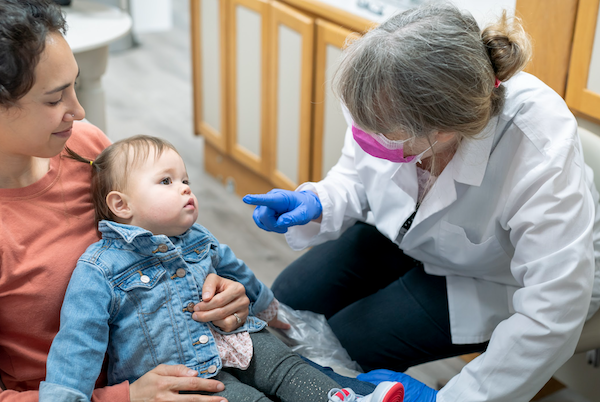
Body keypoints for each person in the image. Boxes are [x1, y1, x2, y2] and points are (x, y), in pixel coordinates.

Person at [243, 3, 600, 402]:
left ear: (444, 131)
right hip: (411, 234)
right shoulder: (390, 97)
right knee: (288, 298)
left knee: (358, 341)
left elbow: (552, 312)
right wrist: (320, 199)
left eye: (383, 132)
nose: (364, 135)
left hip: (500, 275)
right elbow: (359, 174)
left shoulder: (537, 143)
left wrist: (452, 400)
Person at [0, 1, 257, 400]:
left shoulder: (84, 145)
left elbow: (166, 243)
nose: (79, 110)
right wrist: (125, 397)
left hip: (193, 356)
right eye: (54, 100)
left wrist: (223, 291)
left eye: (75, 86)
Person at [38, 135, 405, 402]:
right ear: (120, 204)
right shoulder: (99, 270)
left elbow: (240, 274)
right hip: (183, 379)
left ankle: (341, 398)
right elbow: (78, 345)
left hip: (234, 338)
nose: (184, 189)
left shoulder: (199, 238)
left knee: (285, 365)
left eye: (185, 180)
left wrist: (272, 313)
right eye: (166, 182)